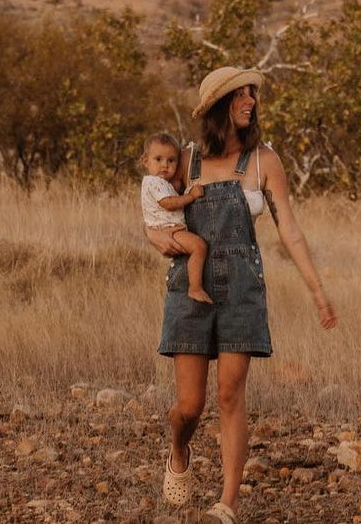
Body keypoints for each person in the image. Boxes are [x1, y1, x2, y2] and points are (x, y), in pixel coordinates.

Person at [148, 66, 338, 524]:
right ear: (218, 106)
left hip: (242, 289)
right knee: (188, 407)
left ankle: (227, 504)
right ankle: (178, 447)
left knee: (231, 395)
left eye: (252, 94)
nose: (251, 101)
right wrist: (157, 238)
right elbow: (154, 209)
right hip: (189, 289)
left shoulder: (263, 160)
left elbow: (289, 229)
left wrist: (318, 291)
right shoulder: (185, 159)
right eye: (241, 95)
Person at [141, 131, 213, 304]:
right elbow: (169, 203)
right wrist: (192, 196)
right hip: (169, 230)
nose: (165, 165)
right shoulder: (154, 183)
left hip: (168, 227)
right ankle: (195, 287)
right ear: (145, 161)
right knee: (199, 247)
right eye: (158, 159)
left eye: (171, 161)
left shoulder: (161, 183)